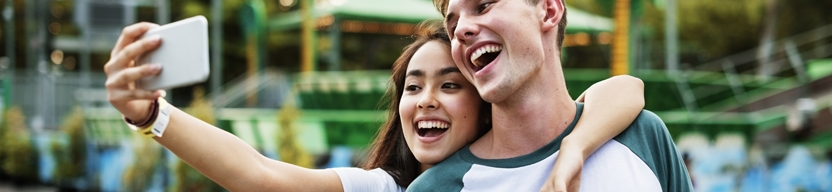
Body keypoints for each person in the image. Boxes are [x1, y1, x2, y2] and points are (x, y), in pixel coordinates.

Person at [103, 20, 643, 191]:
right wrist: (152, 115)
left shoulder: (574, 153)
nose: (425, 100)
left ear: (485, 99)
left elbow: (625, 90)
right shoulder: (389, 187)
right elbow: (259, 174)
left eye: (450, 85)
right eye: (412, 86)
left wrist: (575, 147)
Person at [407, 0, 693, 191]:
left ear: (548, 10)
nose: (460, 31)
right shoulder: (437, 187)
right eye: (452, 23)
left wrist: (575, 147)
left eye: (483, 5)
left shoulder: (642, 135)